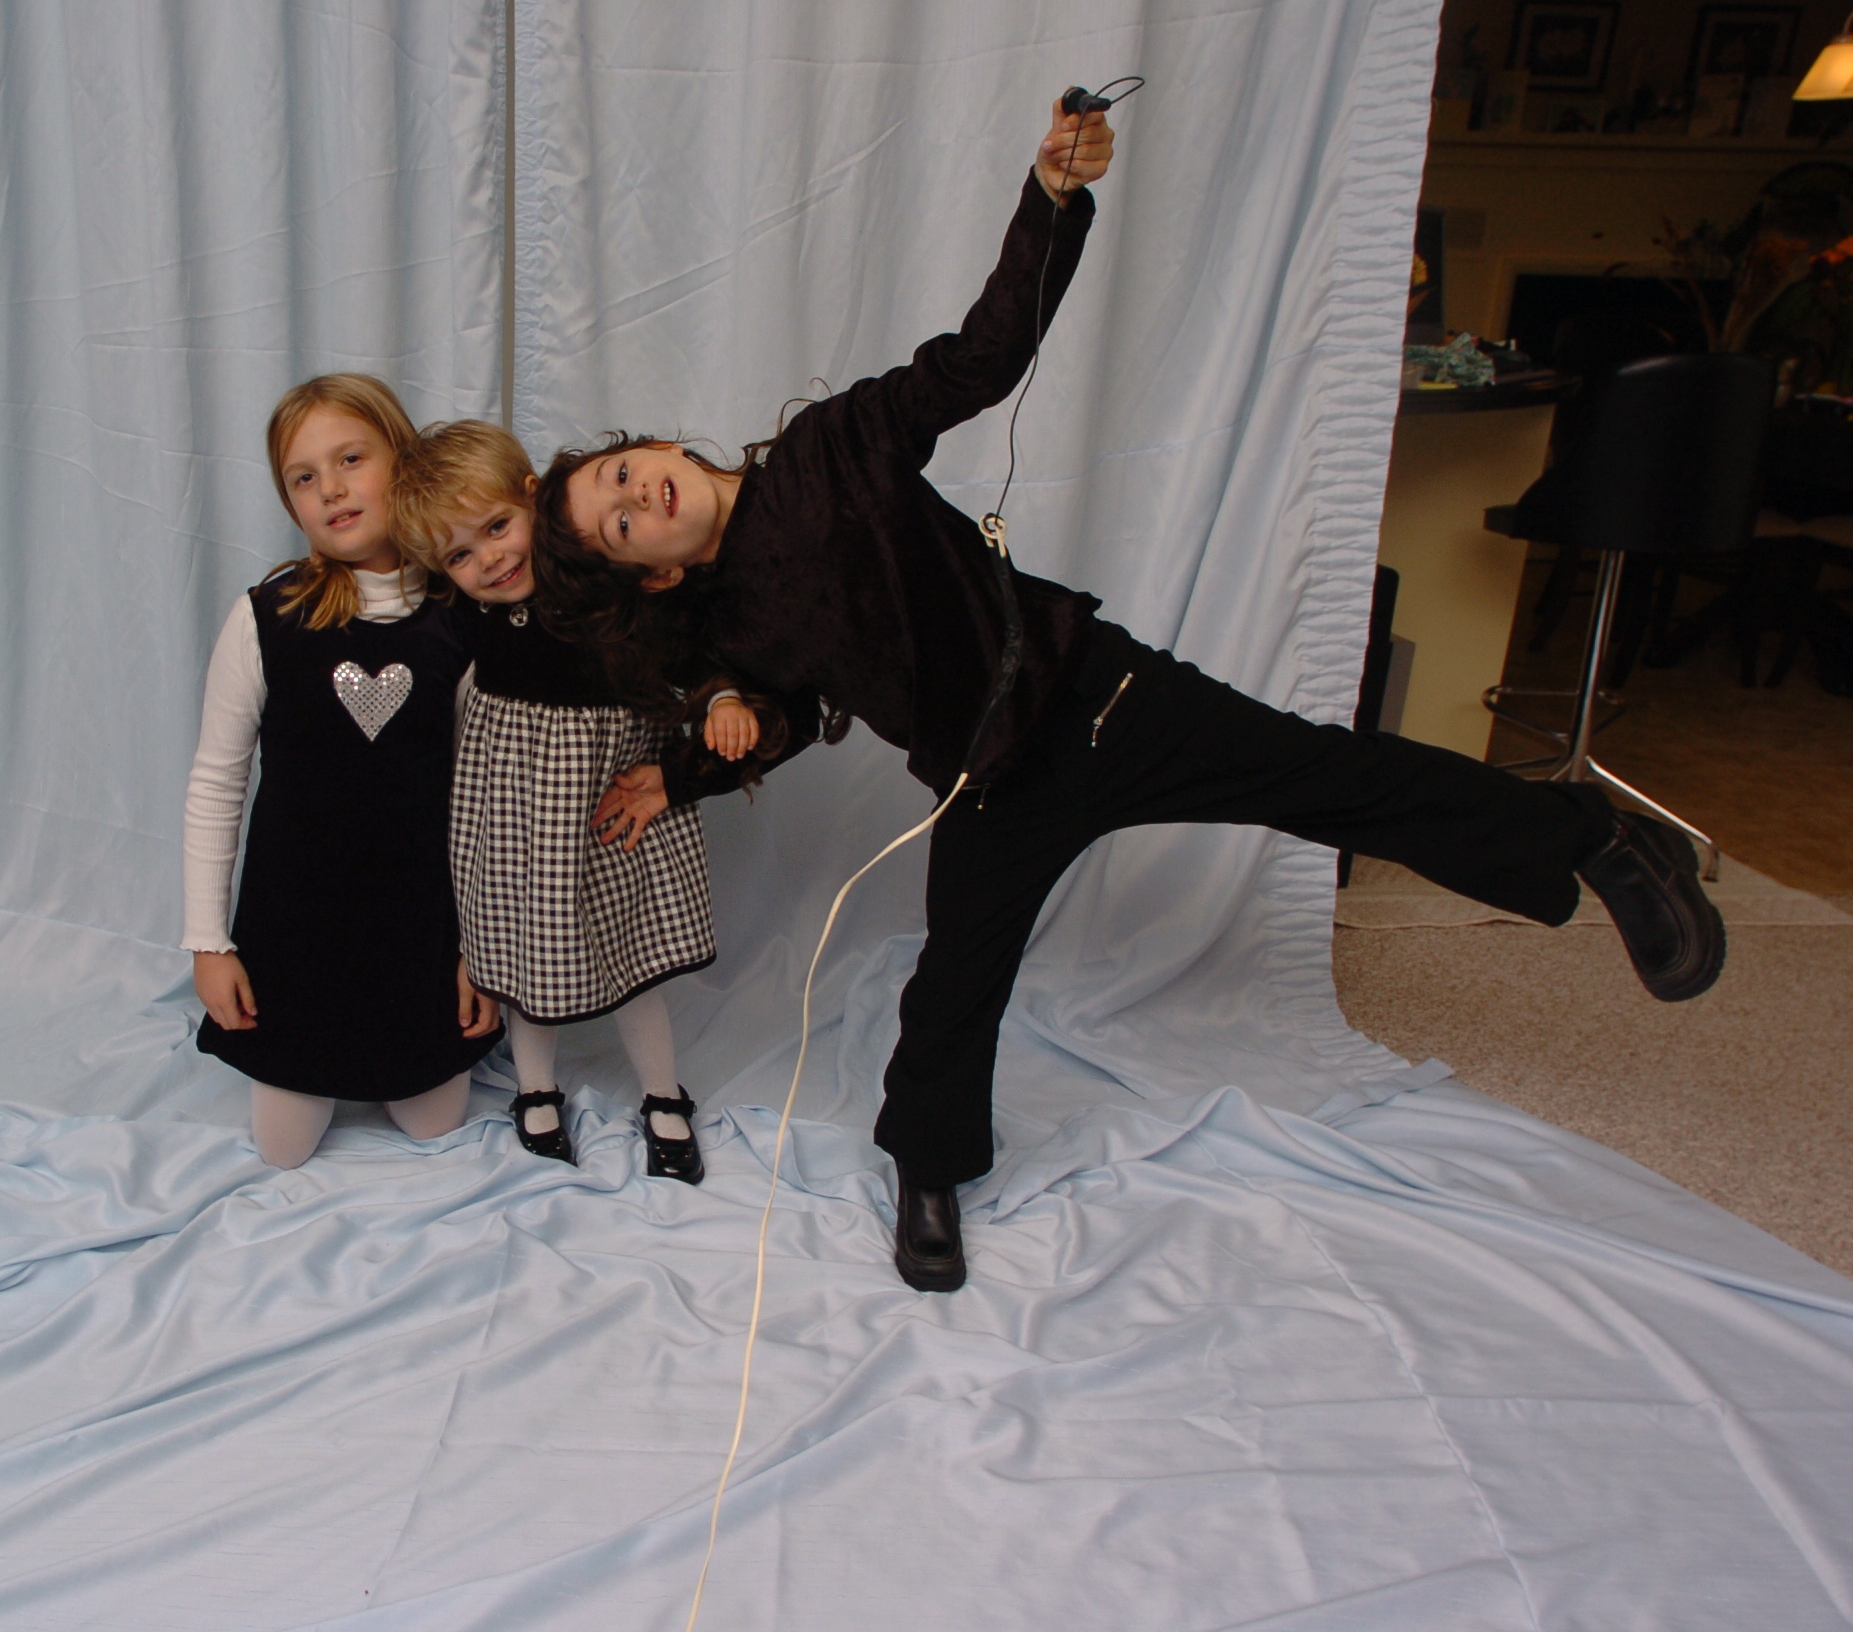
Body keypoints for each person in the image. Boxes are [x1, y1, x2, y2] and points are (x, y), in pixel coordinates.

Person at [530, 102, 1724, 1292]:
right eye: (617, 523)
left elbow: (983, 355)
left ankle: (1594, 837)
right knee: (953, 985)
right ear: (653, 573)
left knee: (1337, 782)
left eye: (627, 474)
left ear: (668, 451)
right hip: (992, 783)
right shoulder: (729, 628)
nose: (637, 498)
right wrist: (704, 755)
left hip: (1101, 699)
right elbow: (785, 718)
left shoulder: (834, 444)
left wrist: (1052, 199)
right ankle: (929, 1167)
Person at [392, 419, 790, 1180]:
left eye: (498, 527)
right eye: (460, 555)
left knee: (628, 957)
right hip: (519, 817)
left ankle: (663, 1092)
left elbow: (691, 646)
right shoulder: (470, 613)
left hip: (608, 803)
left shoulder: (605, 580)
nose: (490, 559)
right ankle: (534, 1088)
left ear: (534, 500)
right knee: (528, 961)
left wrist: (722, 698)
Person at [183, 374, 502, 1169]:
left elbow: (487, 803)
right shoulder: (267, 617)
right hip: (294, 938)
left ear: (403, 460)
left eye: (351, 459)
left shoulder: (461, 622)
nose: (330, 488)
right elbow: (216, 782)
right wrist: (208, 944)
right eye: (303, 476)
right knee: (284, 1152)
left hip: (419, 935)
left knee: (434, 1127)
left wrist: (483, 953)